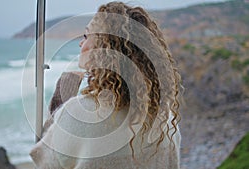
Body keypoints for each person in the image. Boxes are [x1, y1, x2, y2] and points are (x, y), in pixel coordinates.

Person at [30, 1, 181, 169]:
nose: (81, 44)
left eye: (86, 36)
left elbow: (46, 161)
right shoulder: (164, 117)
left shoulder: (78, 114)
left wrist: (63, 92)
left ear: (103, 48)